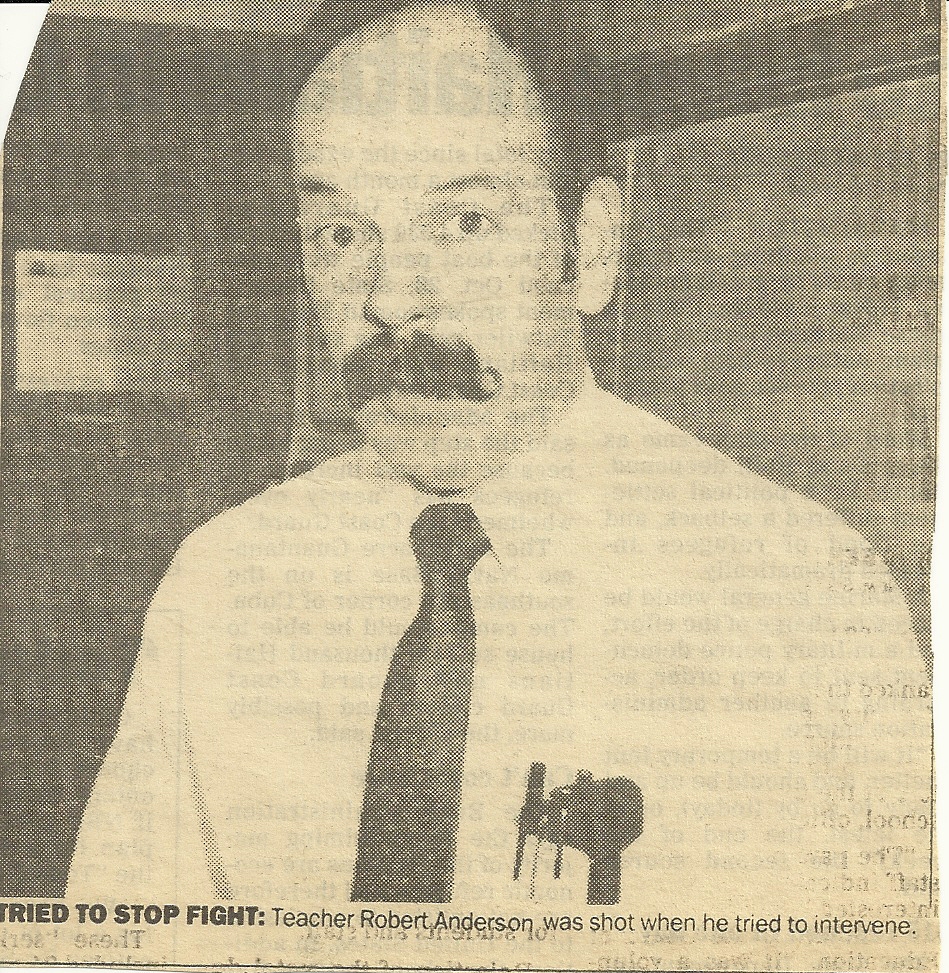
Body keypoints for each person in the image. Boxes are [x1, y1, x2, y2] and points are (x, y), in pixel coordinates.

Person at [69, 1, 931, 913]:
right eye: (342, 232)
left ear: (587, 246)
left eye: (465, 220)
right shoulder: (223, 579)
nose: (389, 298)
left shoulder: (799, 592)